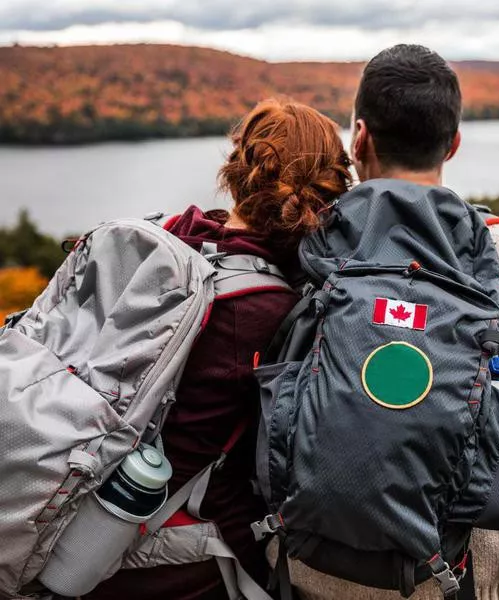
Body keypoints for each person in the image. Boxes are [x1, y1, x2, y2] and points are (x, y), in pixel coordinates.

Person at [277, 44, 499, 600]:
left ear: (360, 138)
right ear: (453, 144)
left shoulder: (308, 244)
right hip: (458, 578)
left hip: (307, 559)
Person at [84, 98, 351, 600]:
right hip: (173, 555)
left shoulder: (168, 241)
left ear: (237, 170)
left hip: (88, 507)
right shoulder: (270, 309)